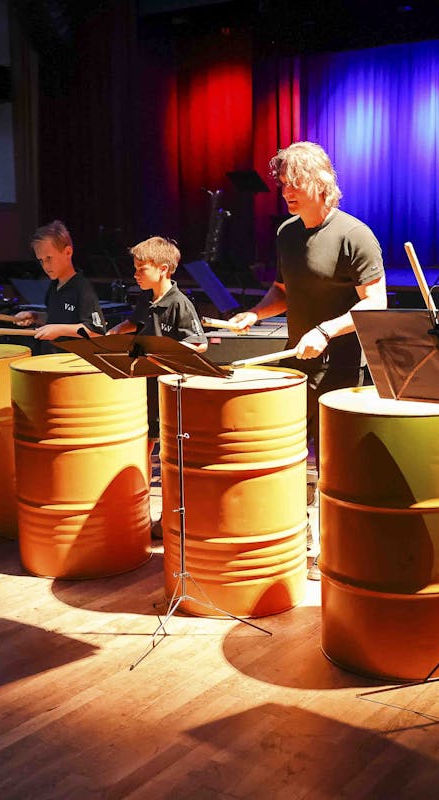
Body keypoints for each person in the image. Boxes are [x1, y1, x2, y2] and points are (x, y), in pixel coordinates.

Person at [227, 141, 387, 580]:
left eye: (295, 184)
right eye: (283, 185)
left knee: (335, 466)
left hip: (344, 369)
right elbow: (282, 292)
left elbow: (376, 303)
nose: (287, 193)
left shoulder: (355, 235)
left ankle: (337, 549)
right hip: (299, 366)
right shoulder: (287, 233)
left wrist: (325, 330)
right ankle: (303, 539)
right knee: (294, 457)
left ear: (322, 183)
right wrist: (254, 314)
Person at [105, 236, 207, 539]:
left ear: (163, 269)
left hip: (170, 392)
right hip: (145, 390)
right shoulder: (146, 299)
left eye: (141, 268)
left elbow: (199, 343)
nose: (135, 274)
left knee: (169, 458)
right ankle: (139, 514)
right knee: (142, 449)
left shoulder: (179, 303)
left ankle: (168, 519)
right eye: (135, 268)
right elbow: (133, 324)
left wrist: (162, 352)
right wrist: (114, 333)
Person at [14, 220, 106, 354]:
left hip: (70, 360)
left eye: (49, 258)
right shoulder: (54, 286)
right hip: (51, 356)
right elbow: (57, 318)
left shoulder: (81, 288)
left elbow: (96, 331)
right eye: (41, 260)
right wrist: (35, 316)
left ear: (68, 252)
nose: (45, 266)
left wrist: (59, 330)